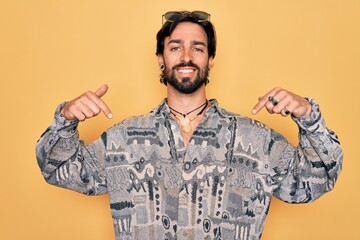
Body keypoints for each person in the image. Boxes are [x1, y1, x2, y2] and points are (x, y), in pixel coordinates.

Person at [36, 10, 343, 240]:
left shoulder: (256, 140)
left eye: (197, 48)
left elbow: (315, 181)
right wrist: (66, 118)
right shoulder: (123, 140)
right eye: (175, 47)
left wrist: (308, 117)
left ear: (210, 60)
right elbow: (56, 169)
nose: (186, 56)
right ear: (160, 58)